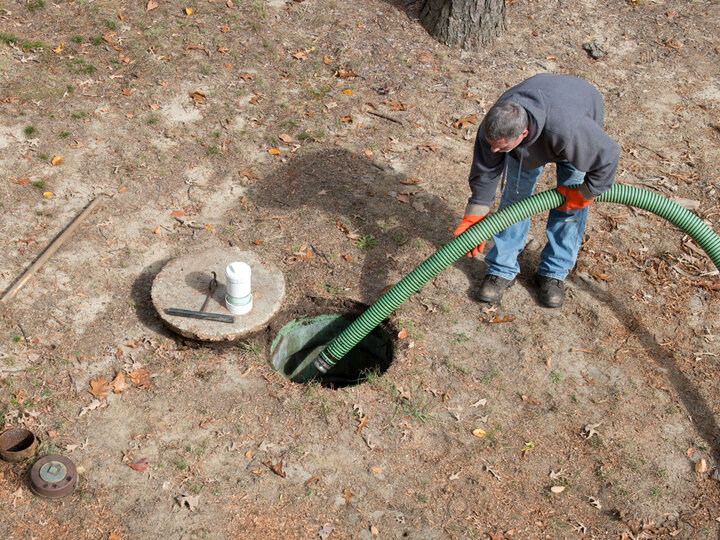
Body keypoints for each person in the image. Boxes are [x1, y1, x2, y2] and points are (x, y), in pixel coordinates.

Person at [454, 73, 620, 308]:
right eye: (492, 143)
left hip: (573, 117)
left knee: (570, 209)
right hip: (540, 127)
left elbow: (608, 156)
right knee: (514, 199)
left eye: (500, 146)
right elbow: (486, 168)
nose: (493, 149)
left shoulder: (572, 130)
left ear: (522, 133)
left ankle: (554, 272)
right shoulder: (496, 126)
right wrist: (477, 210)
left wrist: (585, 195)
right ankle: (502, 268)